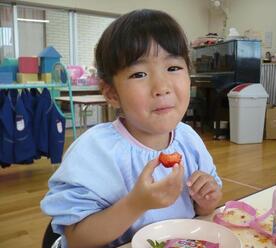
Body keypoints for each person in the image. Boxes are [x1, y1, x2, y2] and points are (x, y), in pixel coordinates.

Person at [41, 9, 223, 248]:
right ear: (111, 93)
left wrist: (207, 198)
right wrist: (136, 203)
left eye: (173, 68)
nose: (162, 87)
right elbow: (76, 238)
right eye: (139, 73)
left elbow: (204, 209)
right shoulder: (94, 151)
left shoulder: (189, 139)